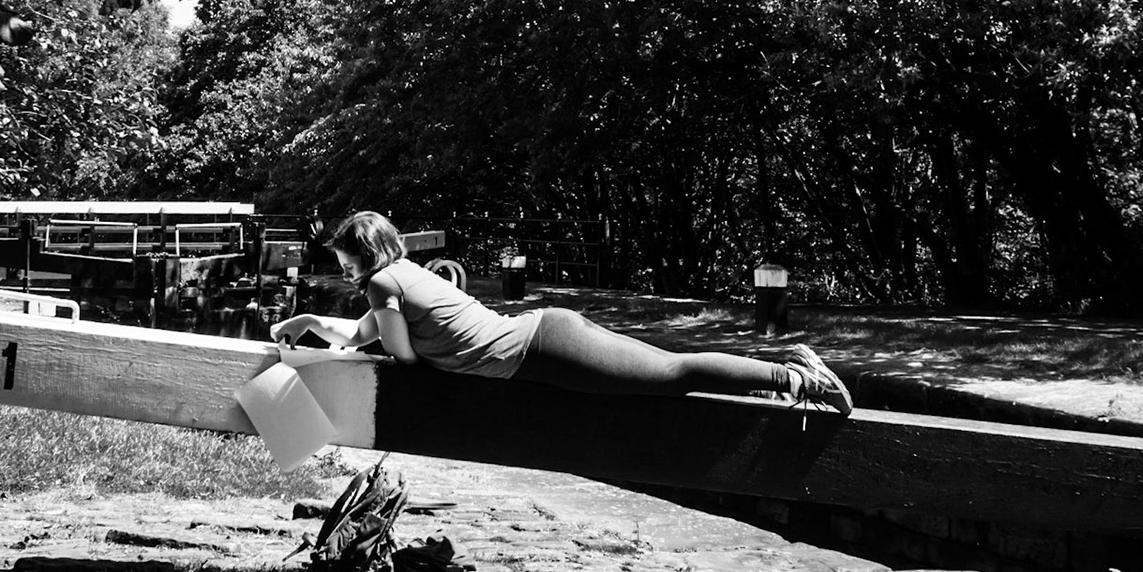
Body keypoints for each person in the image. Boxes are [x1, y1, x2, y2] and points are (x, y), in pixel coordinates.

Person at [272, 211, 852, 413]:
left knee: (673, 377)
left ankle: (798, 378)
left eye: (346, 261)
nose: (344, 271)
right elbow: (357, 335)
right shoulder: (405, 275)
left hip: (541, 349)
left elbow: (398, 354)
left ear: (364, 254)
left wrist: (343, 339)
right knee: (671, 371)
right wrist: (308, 326)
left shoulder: (381, 283)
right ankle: (783, 378)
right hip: (546, 336)